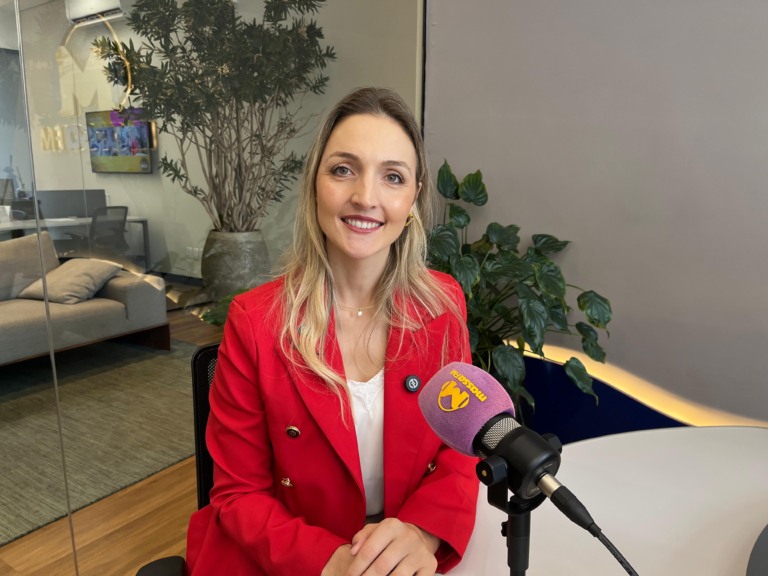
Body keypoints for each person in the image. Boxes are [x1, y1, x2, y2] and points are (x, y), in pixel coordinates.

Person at [186, 87, 479, 575]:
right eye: (343, 170)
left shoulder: (442, 305)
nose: (365, 197)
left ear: (413, 198)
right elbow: (239, 494)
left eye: (392, 177)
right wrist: (331, 562)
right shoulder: (256, 322)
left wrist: (422, 532)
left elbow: (461, 445)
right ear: (315, 186)